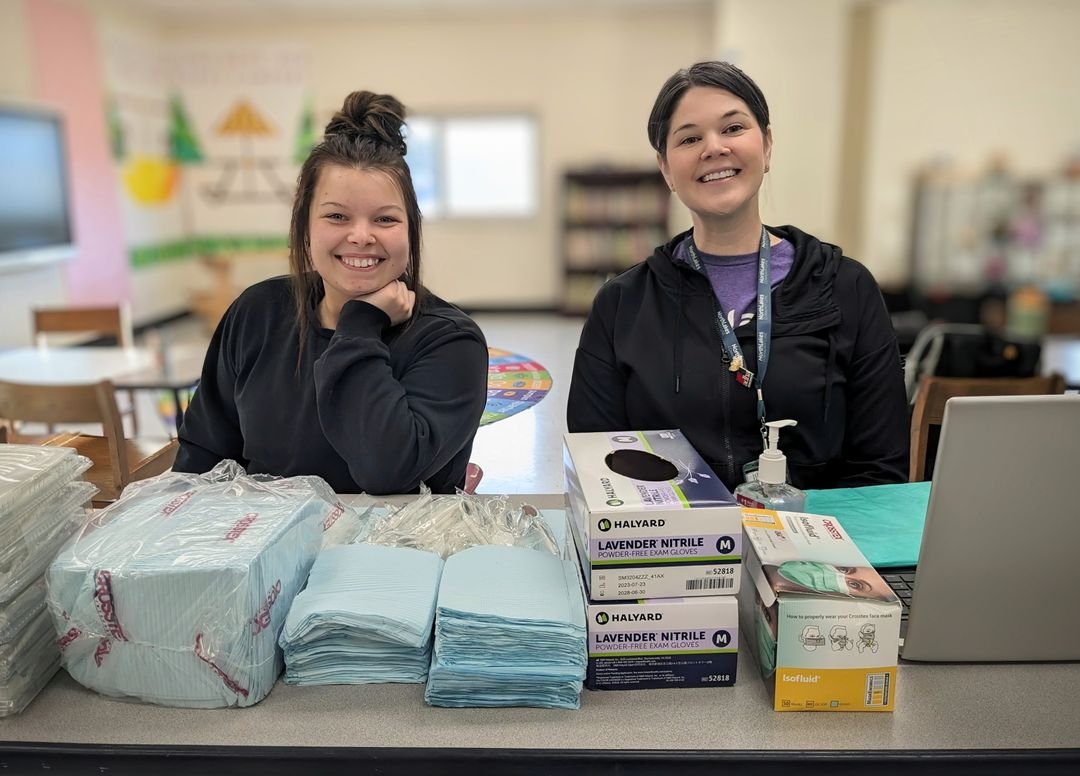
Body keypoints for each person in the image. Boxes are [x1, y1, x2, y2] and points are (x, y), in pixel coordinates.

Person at [567, 61, 909, 491]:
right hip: (673, 529)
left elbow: (881, 471)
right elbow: (598, 464)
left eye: (733, 128)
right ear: (666, 169)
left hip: (818, 529)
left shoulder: (845, 287)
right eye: (689, 138)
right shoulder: (623, 304)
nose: (714, 148)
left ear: (767, 145)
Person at [173, 91, 488, 494]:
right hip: (264, 532)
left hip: (398, 535)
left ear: (410, 230)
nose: (361, 236)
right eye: (337, 216)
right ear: (305, 228)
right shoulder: (258, 312)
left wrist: (360, 323)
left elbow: (387, 472)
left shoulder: (450, 341)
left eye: (385, 219)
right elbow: (203, 454)